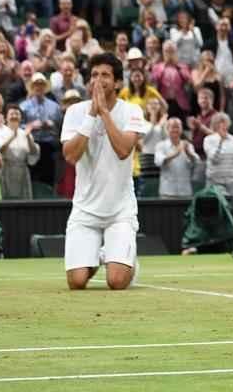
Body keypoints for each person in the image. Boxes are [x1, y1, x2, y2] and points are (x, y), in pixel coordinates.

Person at [60, 52, 150, 290]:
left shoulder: (132, 111)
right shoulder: (75, 112)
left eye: (105, 75)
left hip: (120, 211)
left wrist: (105, 113)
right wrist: (91, 114)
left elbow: (123, 150)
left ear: (118, 83)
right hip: (84, 210)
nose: (98, 80)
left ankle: (124, 260)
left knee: (117, 282)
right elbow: (70, 155)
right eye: (94, 75)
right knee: (77, 282)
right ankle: (102, 256)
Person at [0, 104, 40, 199]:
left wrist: (28, 137)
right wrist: (12, 137)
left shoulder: (25, 133)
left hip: (21, 171)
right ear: (6, 117)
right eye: (11, 114)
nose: (14, 116)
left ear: (21, 118)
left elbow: (33, 153)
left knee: (23, 200)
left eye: (17, 114)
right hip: (5, 170)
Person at [202, 112, 233, 198]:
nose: (223, 125)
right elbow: (214, 159)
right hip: (215, 182)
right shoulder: (209, 140)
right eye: (220, 123)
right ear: (215, 125)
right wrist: (220, 141)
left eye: (225, 122)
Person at [153, 118, 197, 197]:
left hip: (185, 192)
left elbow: (196, 162)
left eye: (178, 127)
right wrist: (176, 153)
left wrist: (188, 153)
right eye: (173, 127)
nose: (175, 130)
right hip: (167, 192)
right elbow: (159, 162)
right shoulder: (160, 145)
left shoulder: (188, 145)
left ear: (181, 129)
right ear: (167, 129)